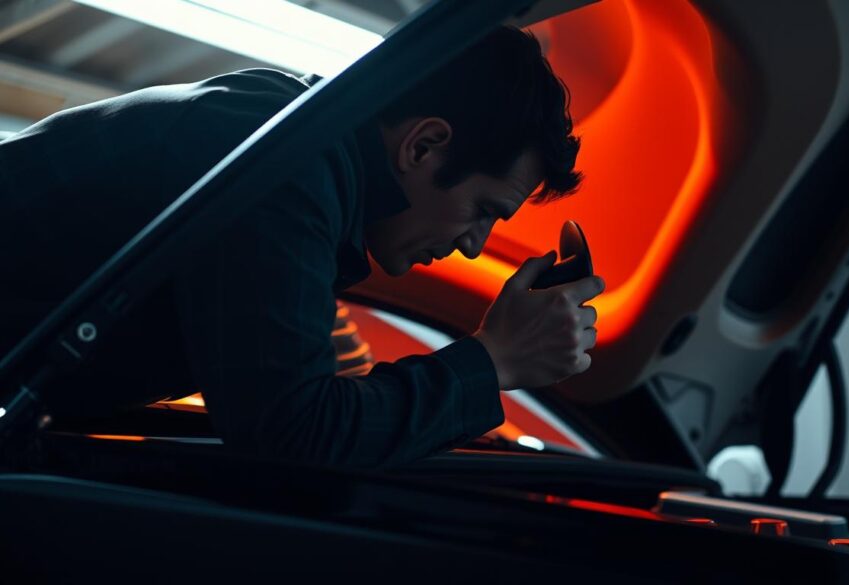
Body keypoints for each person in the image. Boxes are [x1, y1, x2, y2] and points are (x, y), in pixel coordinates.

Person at [0, 26, 604, 467]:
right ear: (422, 146)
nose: (474, 246)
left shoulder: (295, 141)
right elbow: (295, 433)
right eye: (484, 211)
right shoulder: (287, 170)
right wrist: (493, 362)